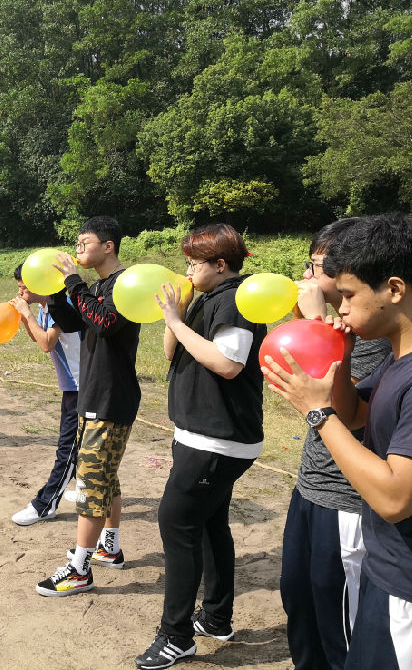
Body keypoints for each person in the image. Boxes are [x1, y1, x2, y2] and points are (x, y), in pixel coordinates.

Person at [262, 213, 412, 670]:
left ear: (394, 289)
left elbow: (395, 497)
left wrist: (316, 413)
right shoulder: (405, 355)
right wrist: (338, 362)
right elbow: (357, 415)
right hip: (391, 571)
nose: (339, 308)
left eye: (347, 296)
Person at [136, 223, 266, 669]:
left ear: (221, 265)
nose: (187, 269)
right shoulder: (206, 298)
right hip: (198, 434)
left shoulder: (237, 301)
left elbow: (228, 364)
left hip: (219, 438)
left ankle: (176, 636)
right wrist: (176, 316)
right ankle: (215, 619)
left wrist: (176, 319)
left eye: (194, 262)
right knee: (210, 526)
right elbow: (173, 355)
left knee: (177, 523)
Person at [280, 220, 391, 670]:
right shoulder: (332, 324)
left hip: (347, 498)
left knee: (337, 618)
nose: (310, 276)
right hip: (310, 485)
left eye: (319, 267)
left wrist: (314, 322)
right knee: (299, 600)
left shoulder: (370, 332)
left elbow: (348, 409)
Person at [34, 215, 140, 596]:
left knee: (91, 481)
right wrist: (57, 295)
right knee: (103, 475)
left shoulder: (124, 285)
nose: (77, 248)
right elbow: (80, 322)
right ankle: (108, 549)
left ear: (108, 245)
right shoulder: (99, 285)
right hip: (95, 393)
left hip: (111, 397)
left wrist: (74, 283)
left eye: (85, 242)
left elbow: (105, 321)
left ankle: (79, 569)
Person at [9, 264, 81, 526]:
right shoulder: (45, 308)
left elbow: (47, 343)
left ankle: (45, 504)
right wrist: (24, 317)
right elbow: (37, 340)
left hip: (81, 385)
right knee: (78, 445)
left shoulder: (64, 306)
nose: (21, 291)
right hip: (71, 385)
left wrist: (26, 314)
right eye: (19, 287)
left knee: (68, 448)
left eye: (25, 286)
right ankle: (85, 489)